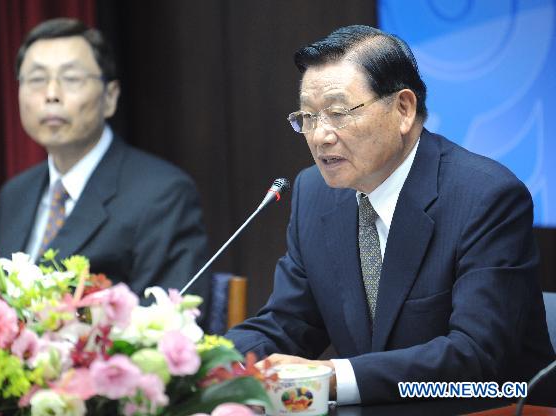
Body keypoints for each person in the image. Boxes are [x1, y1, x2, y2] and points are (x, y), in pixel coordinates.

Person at [226, 25, 555, 405]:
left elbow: (475, 356)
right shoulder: (314, 193)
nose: (319, 136)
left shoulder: (485, 197)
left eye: (336, 112)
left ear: (403, 109)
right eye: (308, 117)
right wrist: (209, 363)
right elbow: (288, 323)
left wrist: (332, 376)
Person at [0, 18, 210, 310]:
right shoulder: (15, 194)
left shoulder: (163, 195)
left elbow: (170, 322)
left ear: (110, 97)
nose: (51, 94)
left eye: (71, 78)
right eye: (36, 79)